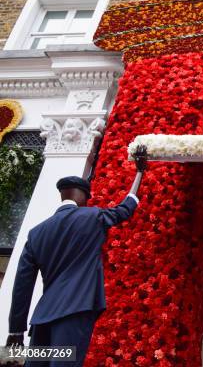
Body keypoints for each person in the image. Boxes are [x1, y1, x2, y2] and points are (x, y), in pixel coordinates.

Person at [4, 145, 148, 366]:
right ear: (83, 198)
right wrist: (140, 172)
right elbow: (126, 208)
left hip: (41, 320)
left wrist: (15, 331)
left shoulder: (36, 233)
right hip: (73, 314)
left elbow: (22, 285)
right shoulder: (92, 217)